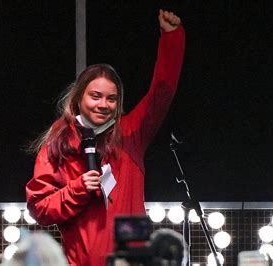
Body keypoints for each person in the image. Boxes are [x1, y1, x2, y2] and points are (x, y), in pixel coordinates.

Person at [26, 8, 185, 266]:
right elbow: (39, 207)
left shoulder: (131, 133)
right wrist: (78, 189)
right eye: (95, 96)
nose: (103, 105)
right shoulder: (58, 144)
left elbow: (162, 92)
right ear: (79, 98)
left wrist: (172, 38)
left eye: (111, 98)